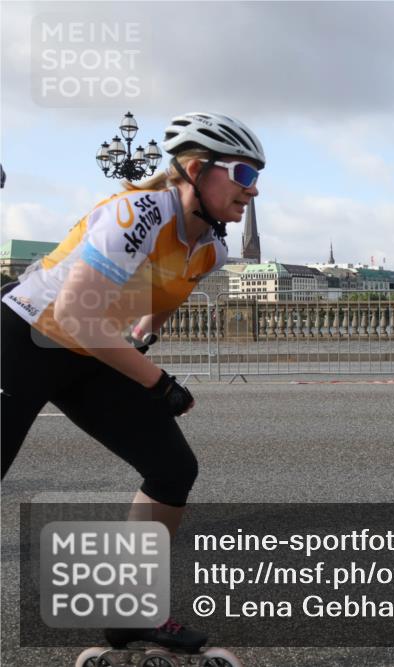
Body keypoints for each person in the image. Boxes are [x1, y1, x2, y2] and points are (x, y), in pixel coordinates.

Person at [1, 112, 264, 652]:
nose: (252, 189)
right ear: (195, 169)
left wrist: (143, 336)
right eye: (241, 174)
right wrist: (159, 383)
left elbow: (164, 297)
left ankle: (130, 610)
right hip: (25, 338)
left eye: (256, 177)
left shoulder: (212, 248)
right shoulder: (136, 213)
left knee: (172, 469)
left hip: (86, 352)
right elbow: (74, 315)